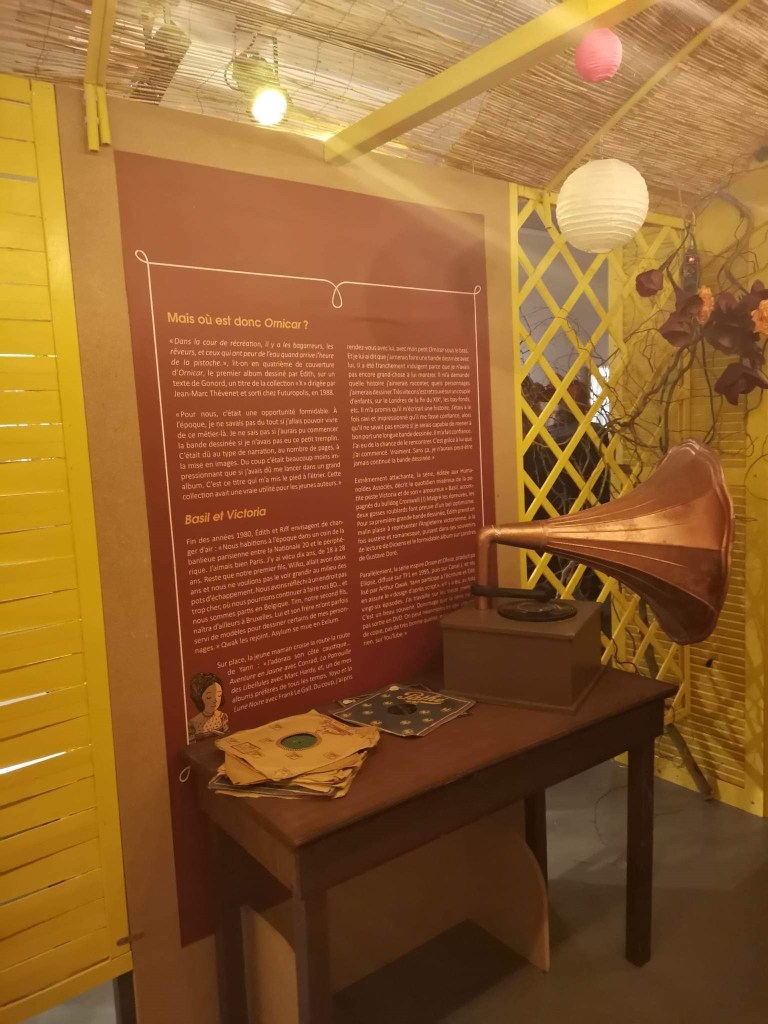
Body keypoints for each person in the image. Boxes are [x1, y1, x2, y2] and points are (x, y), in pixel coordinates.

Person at [187, 672, 229, 743]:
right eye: (209, 697)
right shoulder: (193, 723)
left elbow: (229, 739)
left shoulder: (222, 717)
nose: (215, 700)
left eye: (219, 695)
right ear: (199, 697)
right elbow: (191, 746)